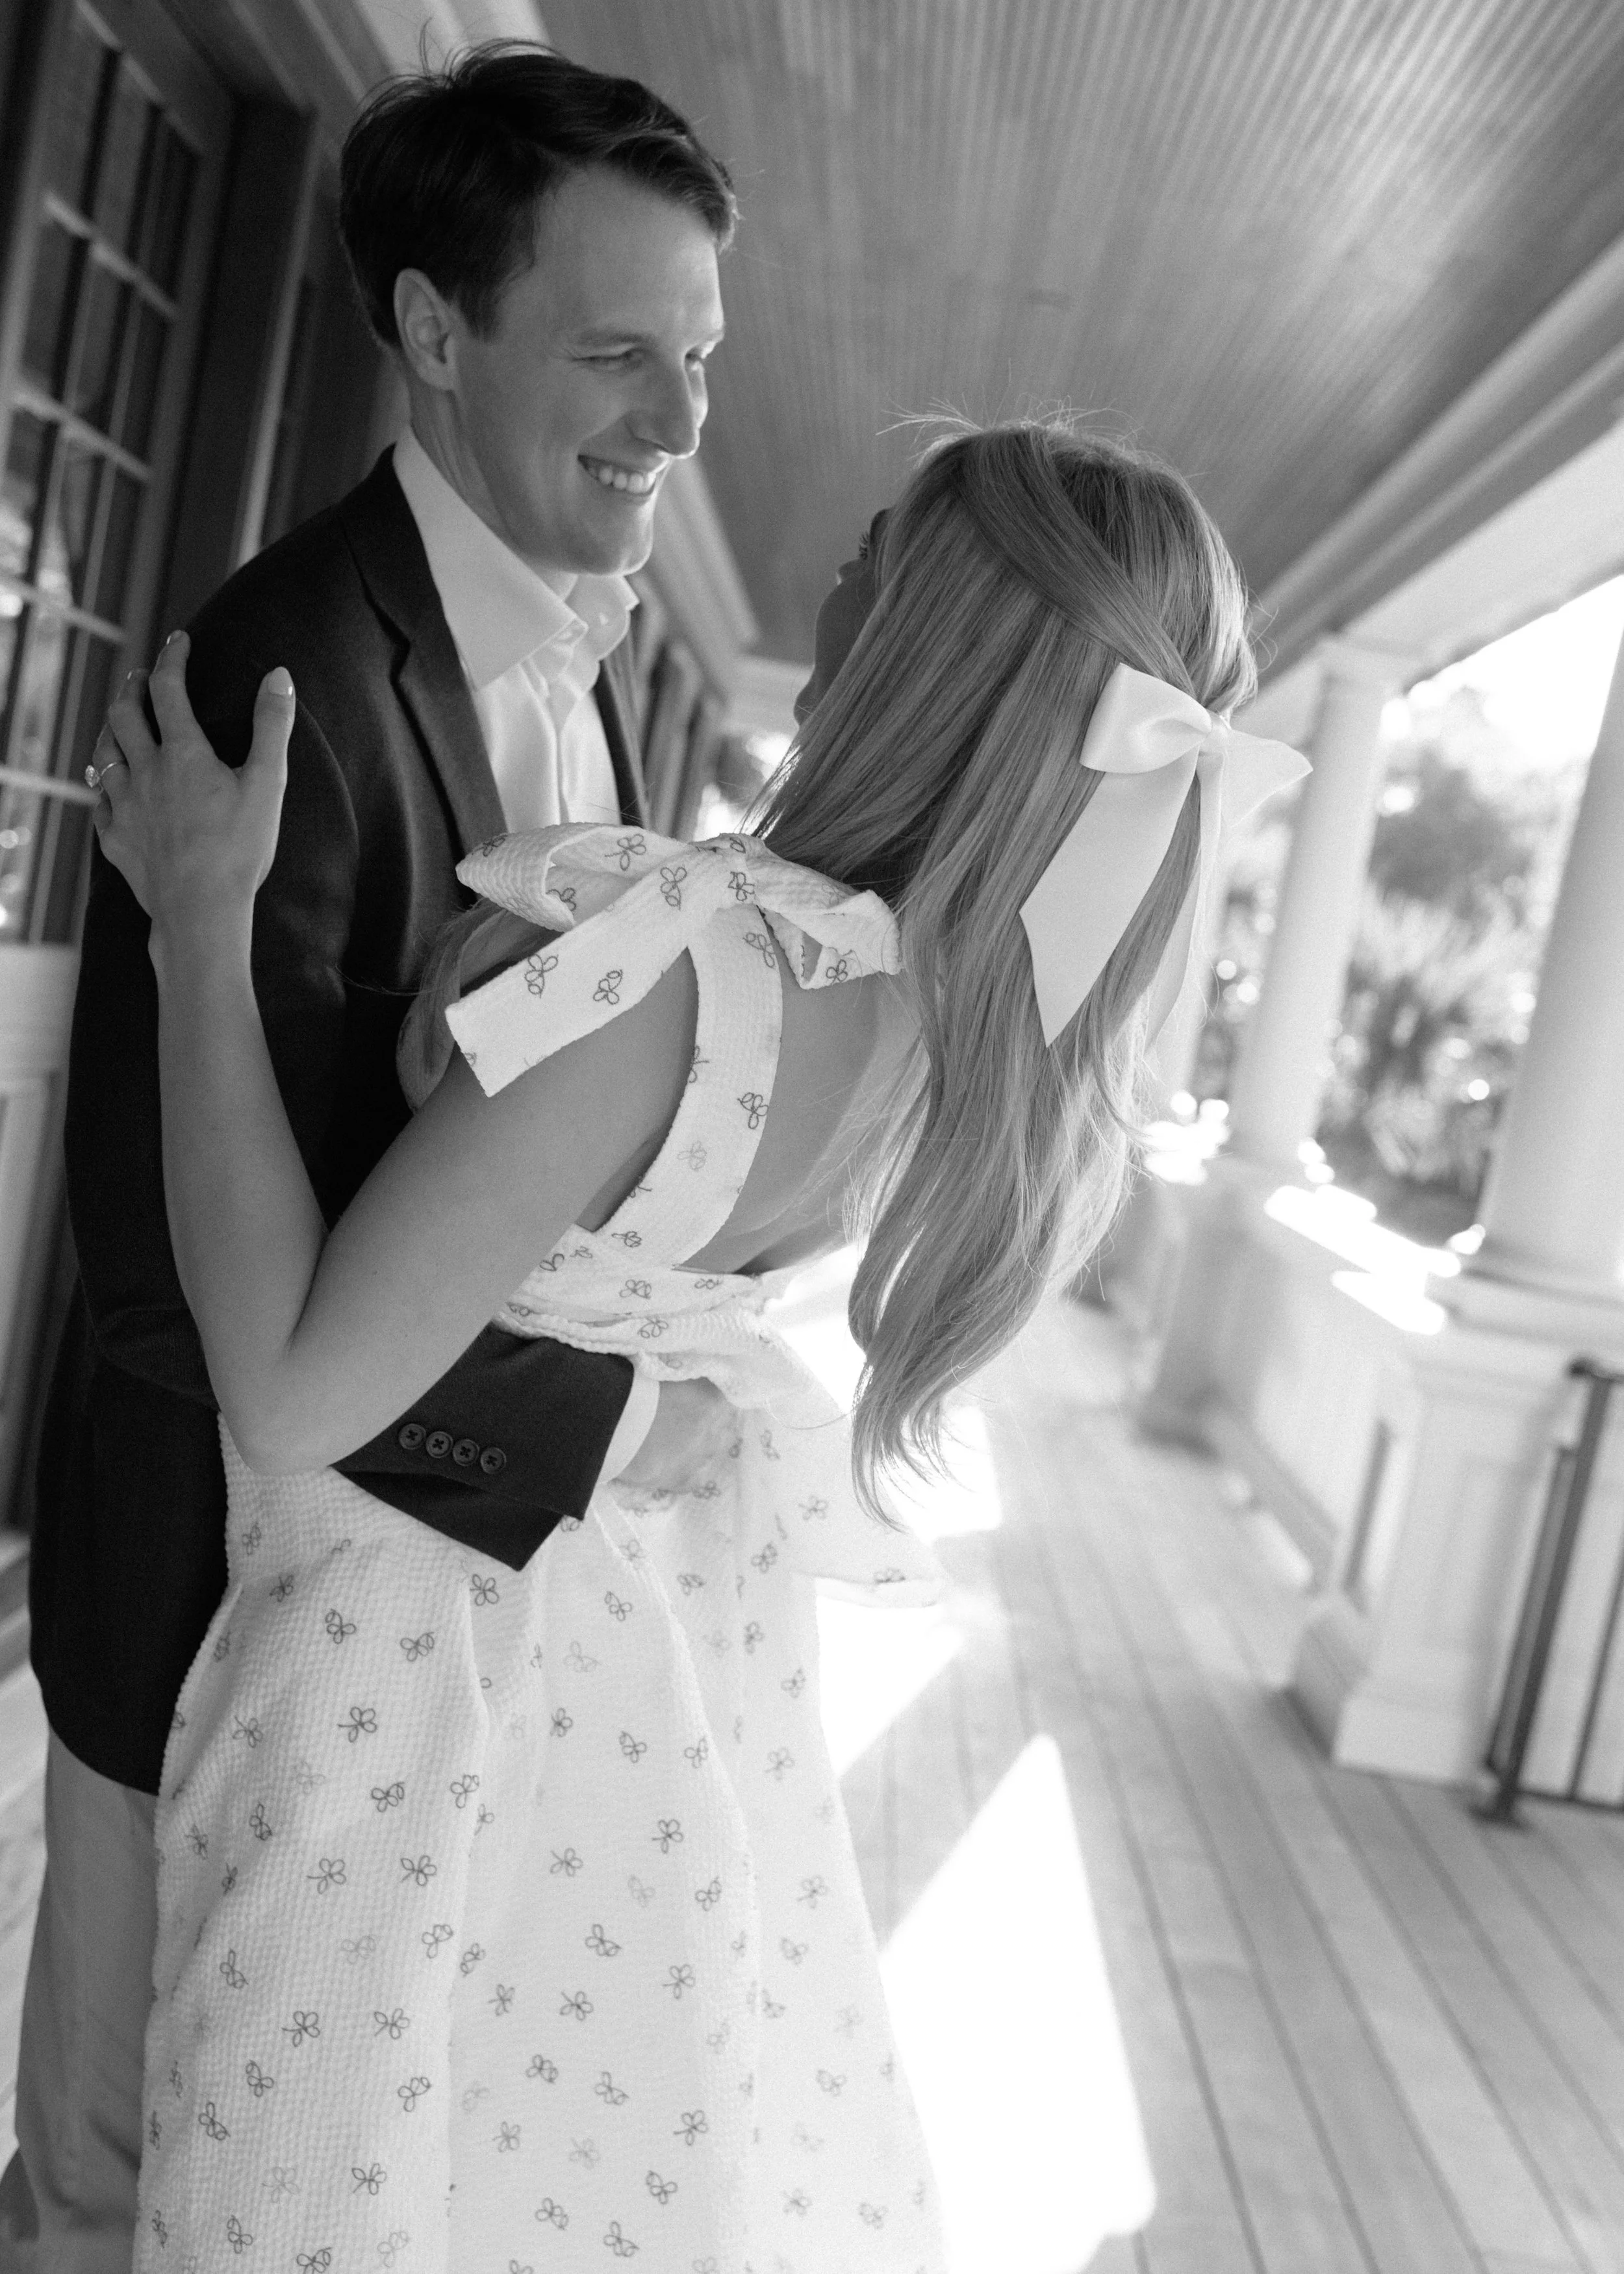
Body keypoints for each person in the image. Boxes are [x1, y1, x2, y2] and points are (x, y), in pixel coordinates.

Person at [88, 416, 1306, 2270]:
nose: (839, 571)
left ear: (930, 639)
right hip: (623, 1657)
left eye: (883, 548)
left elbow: (290, 1388)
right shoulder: (933, 1016)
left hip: (407, 1667)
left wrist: (197, 930)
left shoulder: (677, 969)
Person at [5, 44, 738, 2271]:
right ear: (432, 328)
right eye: (614, 353)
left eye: (697, 359)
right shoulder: (282, 667)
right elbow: (166, 1271)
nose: (674, 418)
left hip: (431, 1637)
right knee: (110, 2192)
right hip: (203, 1616)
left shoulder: (580, 660)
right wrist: (608, 1422)